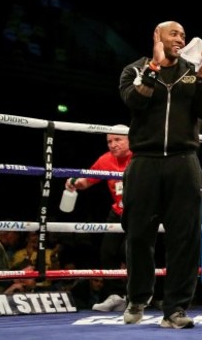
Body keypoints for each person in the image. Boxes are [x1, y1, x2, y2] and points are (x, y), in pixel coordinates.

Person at [118, 20, 202, 329]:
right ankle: (138, 297)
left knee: (185, 238)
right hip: (144, 162)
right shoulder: (133, 70)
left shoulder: (190, 70)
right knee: (138, 235)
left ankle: (175, 308)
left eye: (183, 35)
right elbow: (136, 100)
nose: (179, 38)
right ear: (156, 36)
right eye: (173, 33)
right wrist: (155, 68)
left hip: (183, 162)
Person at [63, 127, 133, 312]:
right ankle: (116, 295)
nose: (113, 144)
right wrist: (75, 183)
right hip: (118, 211)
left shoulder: (141, 156)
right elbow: (88, 180)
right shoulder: (105, 159)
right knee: (107, 252)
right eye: (109, 141)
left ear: (130, 139)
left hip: (141, 211)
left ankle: (137, 295)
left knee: (129, 252)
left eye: (118, 140)